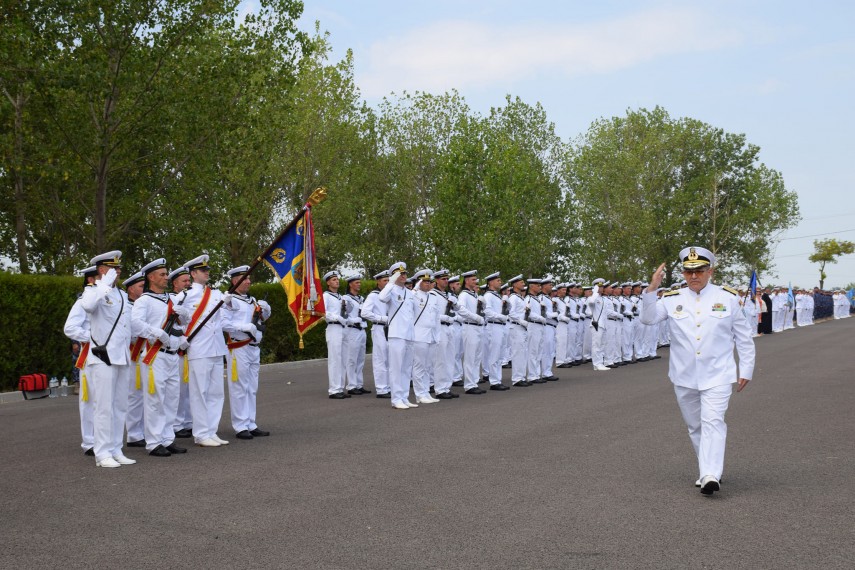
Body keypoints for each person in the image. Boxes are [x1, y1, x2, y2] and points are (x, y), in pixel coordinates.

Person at [641, 246, 755, 496]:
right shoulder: (672, 299)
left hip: (719, 373)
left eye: (699, 271)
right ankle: (706, 469)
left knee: (713, 421)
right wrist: (652, 288)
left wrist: (746, 368)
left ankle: (711, 474)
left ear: (710, 271)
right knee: (695, 426)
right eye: (688, 271)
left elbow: (744, 337)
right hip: (684, 375)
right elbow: (648, 319)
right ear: (683, 273)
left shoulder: (727, 298)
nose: (694, 276)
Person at [80, 251, 135, 468]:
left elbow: (128, 325)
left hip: (121, 356)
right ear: (102, 270)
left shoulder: (121, 295)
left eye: (119, 268)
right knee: (103, 407)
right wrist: (103, 285)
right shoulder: (93, 291)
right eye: (114, 268)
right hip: (102, 357)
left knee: (120, 406)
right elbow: (88, 306)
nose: (118, 271)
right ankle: (102, 453)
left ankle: (115, 448)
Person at [132, 258, 190, 456]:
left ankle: (167, 438)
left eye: (166, 274)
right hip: (154, 355)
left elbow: (179, 326)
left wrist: (184, 320)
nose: (166, 278)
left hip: (173, 355)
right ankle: (154, 442)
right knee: (155, 400)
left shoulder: (172, 300)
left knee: (171, 399)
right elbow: (135, 324)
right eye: (162, 274)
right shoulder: (144, 300)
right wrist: (156, 332)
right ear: (151, 277)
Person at [180, 255, 234, 447]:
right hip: (199, 348)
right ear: (193, 274)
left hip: (217, 347)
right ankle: (201, 433)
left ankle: (212, 430)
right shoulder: (186, 295)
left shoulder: (216, 293)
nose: (207, 273)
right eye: (203, 271)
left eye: (207, 270)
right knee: (199, 392)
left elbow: (230, 309)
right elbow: (173, 316)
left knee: (216, 392)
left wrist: (228, 300)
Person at [222, 265, 272, 440]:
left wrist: (266, 310)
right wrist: (244, 327)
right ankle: (240, 425)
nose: (249, 281)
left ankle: (251, 423)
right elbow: (223, 323)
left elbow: (262, 319)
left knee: (252, 387)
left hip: (253, 347)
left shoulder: (252, 300)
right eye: (246, 278)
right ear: (235, 281)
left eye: (250, 278)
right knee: (239, 387)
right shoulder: (229, 300)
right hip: (238, 347)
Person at [63, 264, 98, 456]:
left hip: (106, 356)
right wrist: (92, 336)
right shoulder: (84, 301)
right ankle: (90, 442)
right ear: (91, 280)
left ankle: (103, 439)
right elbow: (71, 328)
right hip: (90, 354)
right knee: (89, 400)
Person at [378, 262, 421, 409]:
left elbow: (415, 312)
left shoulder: (409, 293)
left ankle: (404, 397)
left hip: (409, 334)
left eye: (404, 273)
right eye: (399, 274)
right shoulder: (390, 290)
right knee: (396, 367)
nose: (403, 276)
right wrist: (390, 282)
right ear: (393, 275)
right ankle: (396, 399)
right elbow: (382, 298)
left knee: (406, 367)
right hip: (396, 334)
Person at [168, 266, 193, 438]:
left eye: (188, 280)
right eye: (184, 281)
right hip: (175, 349)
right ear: (175, 283)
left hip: (192, 348)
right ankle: (177, 425)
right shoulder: (171, 299)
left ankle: (188, 422)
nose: (187, 283)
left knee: (190, 390)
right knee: (177, 390)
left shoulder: (192, 298)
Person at [123, 271, 147, 448]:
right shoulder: (126, 307)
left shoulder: (144, 304)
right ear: (131, 289)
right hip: (133, 355)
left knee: (147, 395)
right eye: (141, 286)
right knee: (134, 395)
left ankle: (144, 430)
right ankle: (133, 434)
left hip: (147, 353)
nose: (144, 288)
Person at [361, 270, 391, 398]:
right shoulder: (373, 295)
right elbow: (365, 313)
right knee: (380, 359)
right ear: (378, 282)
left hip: (391, 329)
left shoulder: (390, 295)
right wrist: (381, 318)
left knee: (390, 359)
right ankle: (381, 389)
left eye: (389, 280)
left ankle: (389, 386)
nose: (387, 283)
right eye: (385, 280)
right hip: (379, 328)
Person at [322, 271, 348, 399]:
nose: (336, 281)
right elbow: (322, 313)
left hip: (343, 328)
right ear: (328, 282)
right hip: (333, 327)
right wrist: (337, 317)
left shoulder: (341, 297)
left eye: (337, 279)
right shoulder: (326, 296)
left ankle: (340, 387)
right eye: (333, 280)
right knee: (335, 359)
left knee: (343, 359)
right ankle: (334, 389)